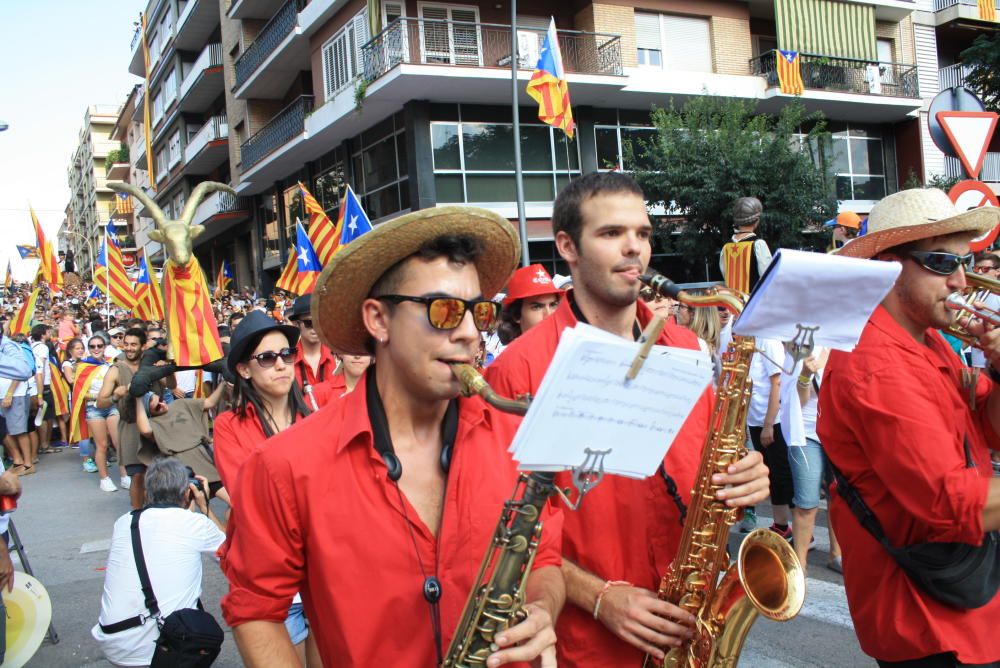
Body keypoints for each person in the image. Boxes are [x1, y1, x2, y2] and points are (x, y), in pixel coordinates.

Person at [220, 207, 564, 667]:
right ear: (378, 320)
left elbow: (544, 561)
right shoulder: (285, 464)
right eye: (444, 310)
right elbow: (256, 611)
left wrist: (542, 608)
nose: (468, 335)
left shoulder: (516, 436)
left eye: (477, 312)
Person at [485, 172, 770, 666]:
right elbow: (502, 529)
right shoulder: (516, 371)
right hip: (587, 644)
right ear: (567, 246)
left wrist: (747, 473)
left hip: (689, 629)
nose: (634, 248)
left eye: (642, 234)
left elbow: (706, 466)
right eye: (612, 233)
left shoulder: (686, 348)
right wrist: (599, 596)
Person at [820, 188, 1000, 666]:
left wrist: (998, 373)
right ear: (890, 267)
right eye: (943, 263)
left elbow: (989, 429)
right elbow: (948, 502)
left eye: (968, 262)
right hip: (925, 618)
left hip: (960, 592)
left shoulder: (929, 340)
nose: (962, 281)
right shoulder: (876, 363)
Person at [92, 457, 225, 667]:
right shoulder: (195, 524)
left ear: (147, 493)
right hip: (159, 645)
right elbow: (232, 556)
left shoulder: (126, 521)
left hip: (113, 638)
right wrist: (205, 508)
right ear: (187, 492)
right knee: (205, 629)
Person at [97, 328, 163, 508]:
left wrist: (167, 369)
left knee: (158, 474)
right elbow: (100, 403)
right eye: (126, 344)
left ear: (143, 346)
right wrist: (116, 396)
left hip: (156, 426)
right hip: (131, 428)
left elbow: (171, 385)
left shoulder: (152, 364)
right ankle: (137, 515)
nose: (129, 348)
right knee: (138, 475)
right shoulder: (116, 370)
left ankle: (157, 513)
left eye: (133, 344)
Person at [135, 387, 229, 505]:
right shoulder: (154, 423)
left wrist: (223, 382)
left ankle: (222, 523)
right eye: (157, 407)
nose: (162, 404)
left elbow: (209, 402)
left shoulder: (180, 404)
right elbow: (145, 430)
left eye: (161, 400)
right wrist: (138, 399)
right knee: (189, 511)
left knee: (235, 503)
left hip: (206, 463)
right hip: (185, 472)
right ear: (149, 412)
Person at [81, 336, 126, 493]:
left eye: (99, 345)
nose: (96, 349)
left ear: (104, 346)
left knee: (118, 441)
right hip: (94, 409)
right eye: (92, 346)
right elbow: (80, 394)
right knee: (102, 445)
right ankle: (104, 479)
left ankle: (124, 476)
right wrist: (99, 397)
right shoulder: (82, 366)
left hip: (112, 406)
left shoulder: (111, 364)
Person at [287, 295, 337, 408]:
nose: (315, 327)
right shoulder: (286, 360)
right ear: (297, 324)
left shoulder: (339, 358)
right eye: (309, 322)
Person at [496, 264, 563, 346]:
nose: (548, 314)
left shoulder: (570, 349)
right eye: (537, 307)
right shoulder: (511, 357)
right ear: (516, 315)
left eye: (553, 305)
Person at [719, 196, 772, 294]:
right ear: (757, 221)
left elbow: (725, 275)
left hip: (732, 304)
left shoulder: (726, 248)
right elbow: (768, 278)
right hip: (752, 304)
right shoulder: (759, 244)